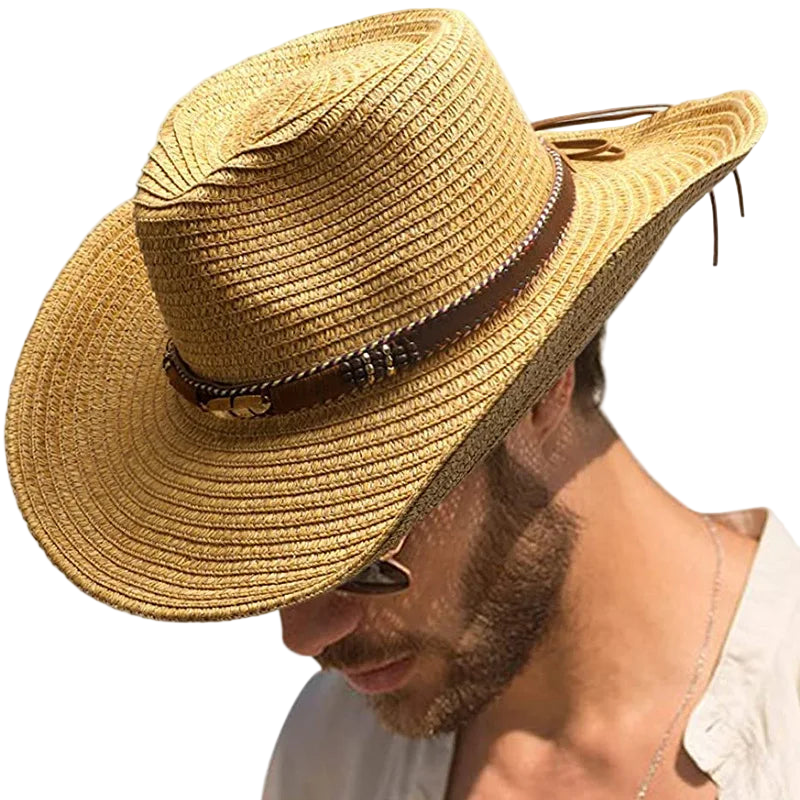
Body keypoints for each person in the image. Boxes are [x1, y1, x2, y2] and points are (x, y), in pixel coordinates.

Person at [265, 334, 799, 799]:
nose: (303, 635)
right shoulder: (330, 743)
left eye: (358, 547)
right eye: (269, 559)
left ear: (537, 391)